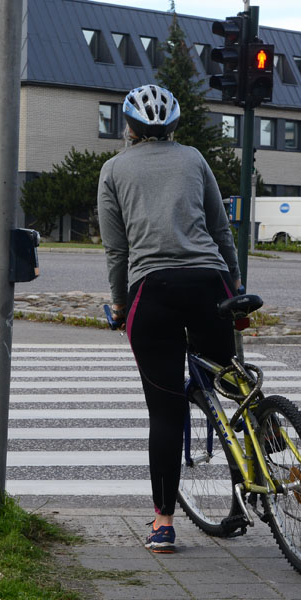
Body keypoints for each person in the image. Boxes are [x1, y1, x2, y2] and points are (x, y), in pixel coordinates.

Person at [96, 84, 242, 555]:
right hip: (209, 285)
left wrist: (120, 307)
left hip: (152, 293)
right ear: (174, 126)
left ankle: (163, 525)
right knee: (231, 377)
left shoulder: (113, 170)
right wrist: (234, 287)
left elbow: (117, 250)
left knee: (165, 411)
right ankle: (268, 445)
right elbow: (221, 230)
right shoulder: (195, 159)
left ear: (129, 127)